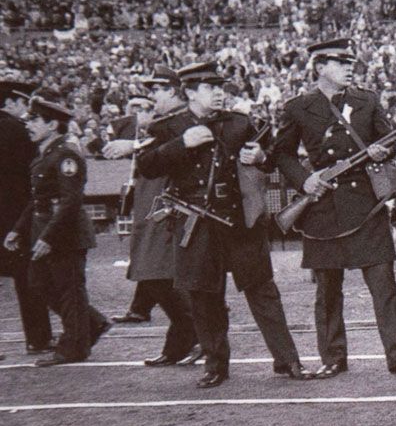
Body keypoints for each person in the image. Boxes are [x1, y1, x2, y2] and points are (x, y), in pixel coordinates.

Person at [136, 62, 308, 388]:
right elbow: (146, 166)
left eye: (220, 87)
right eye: (208, 87)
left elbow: (273, 155)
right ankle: (216, 365)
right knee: (204, 297)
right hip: (196, 223)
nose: (218, 93)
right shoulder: (169, 127)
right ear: (188, 92)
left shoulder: (240, 124)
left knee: (263, 292)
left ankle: (288, 360)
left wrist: (259, 158)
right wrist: (181, 144)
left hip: (240, 223)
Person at [270, 38, 396, 378]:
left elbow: (391, 141)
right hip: (322, 207)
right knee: (328, 290)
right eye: (340, 62)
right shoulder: (298, 107)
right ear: (320, 67)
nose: (349, 67)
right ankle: (333, 357)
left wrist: (381, 151)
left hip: (364, 205)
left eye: (350, 62)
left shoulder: (366, 100)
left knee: (384, 285)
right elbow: (280, 153)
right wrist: (305, 181)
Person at [102, 67, 201, 366]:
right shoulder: (162, 122)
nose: (152, 98)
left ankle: (197, 334)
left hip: (168, 206)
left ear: (172, 90)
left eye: (156, 91)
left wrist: (132, 145)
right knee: (155, 275)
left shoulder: (184, 119)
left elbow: (181, 147)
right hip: (151, 203)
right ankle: (180, 343)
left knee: (158, 274)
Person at [5, 96, 109, 366]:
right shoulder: (47, 153)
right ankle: (92, 323)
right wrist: (19, 229)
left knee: (69, 289)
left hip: (65, 233)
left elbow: (70, 201)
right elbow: (37, 198)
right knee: (38, 283)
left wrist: (49, 238)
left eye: (35, 120)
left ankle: (74, 346)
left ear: (52, 124)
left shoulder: (65, 155)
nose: (28, 124)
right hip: (47, 228)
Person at [0, 80, 53, 355]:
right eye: (23, 104)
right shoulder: (19, 132)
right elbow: (35, 175)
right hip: (14, 216)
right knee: (27, 278)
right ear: (10, 103)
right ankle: (38, 338)